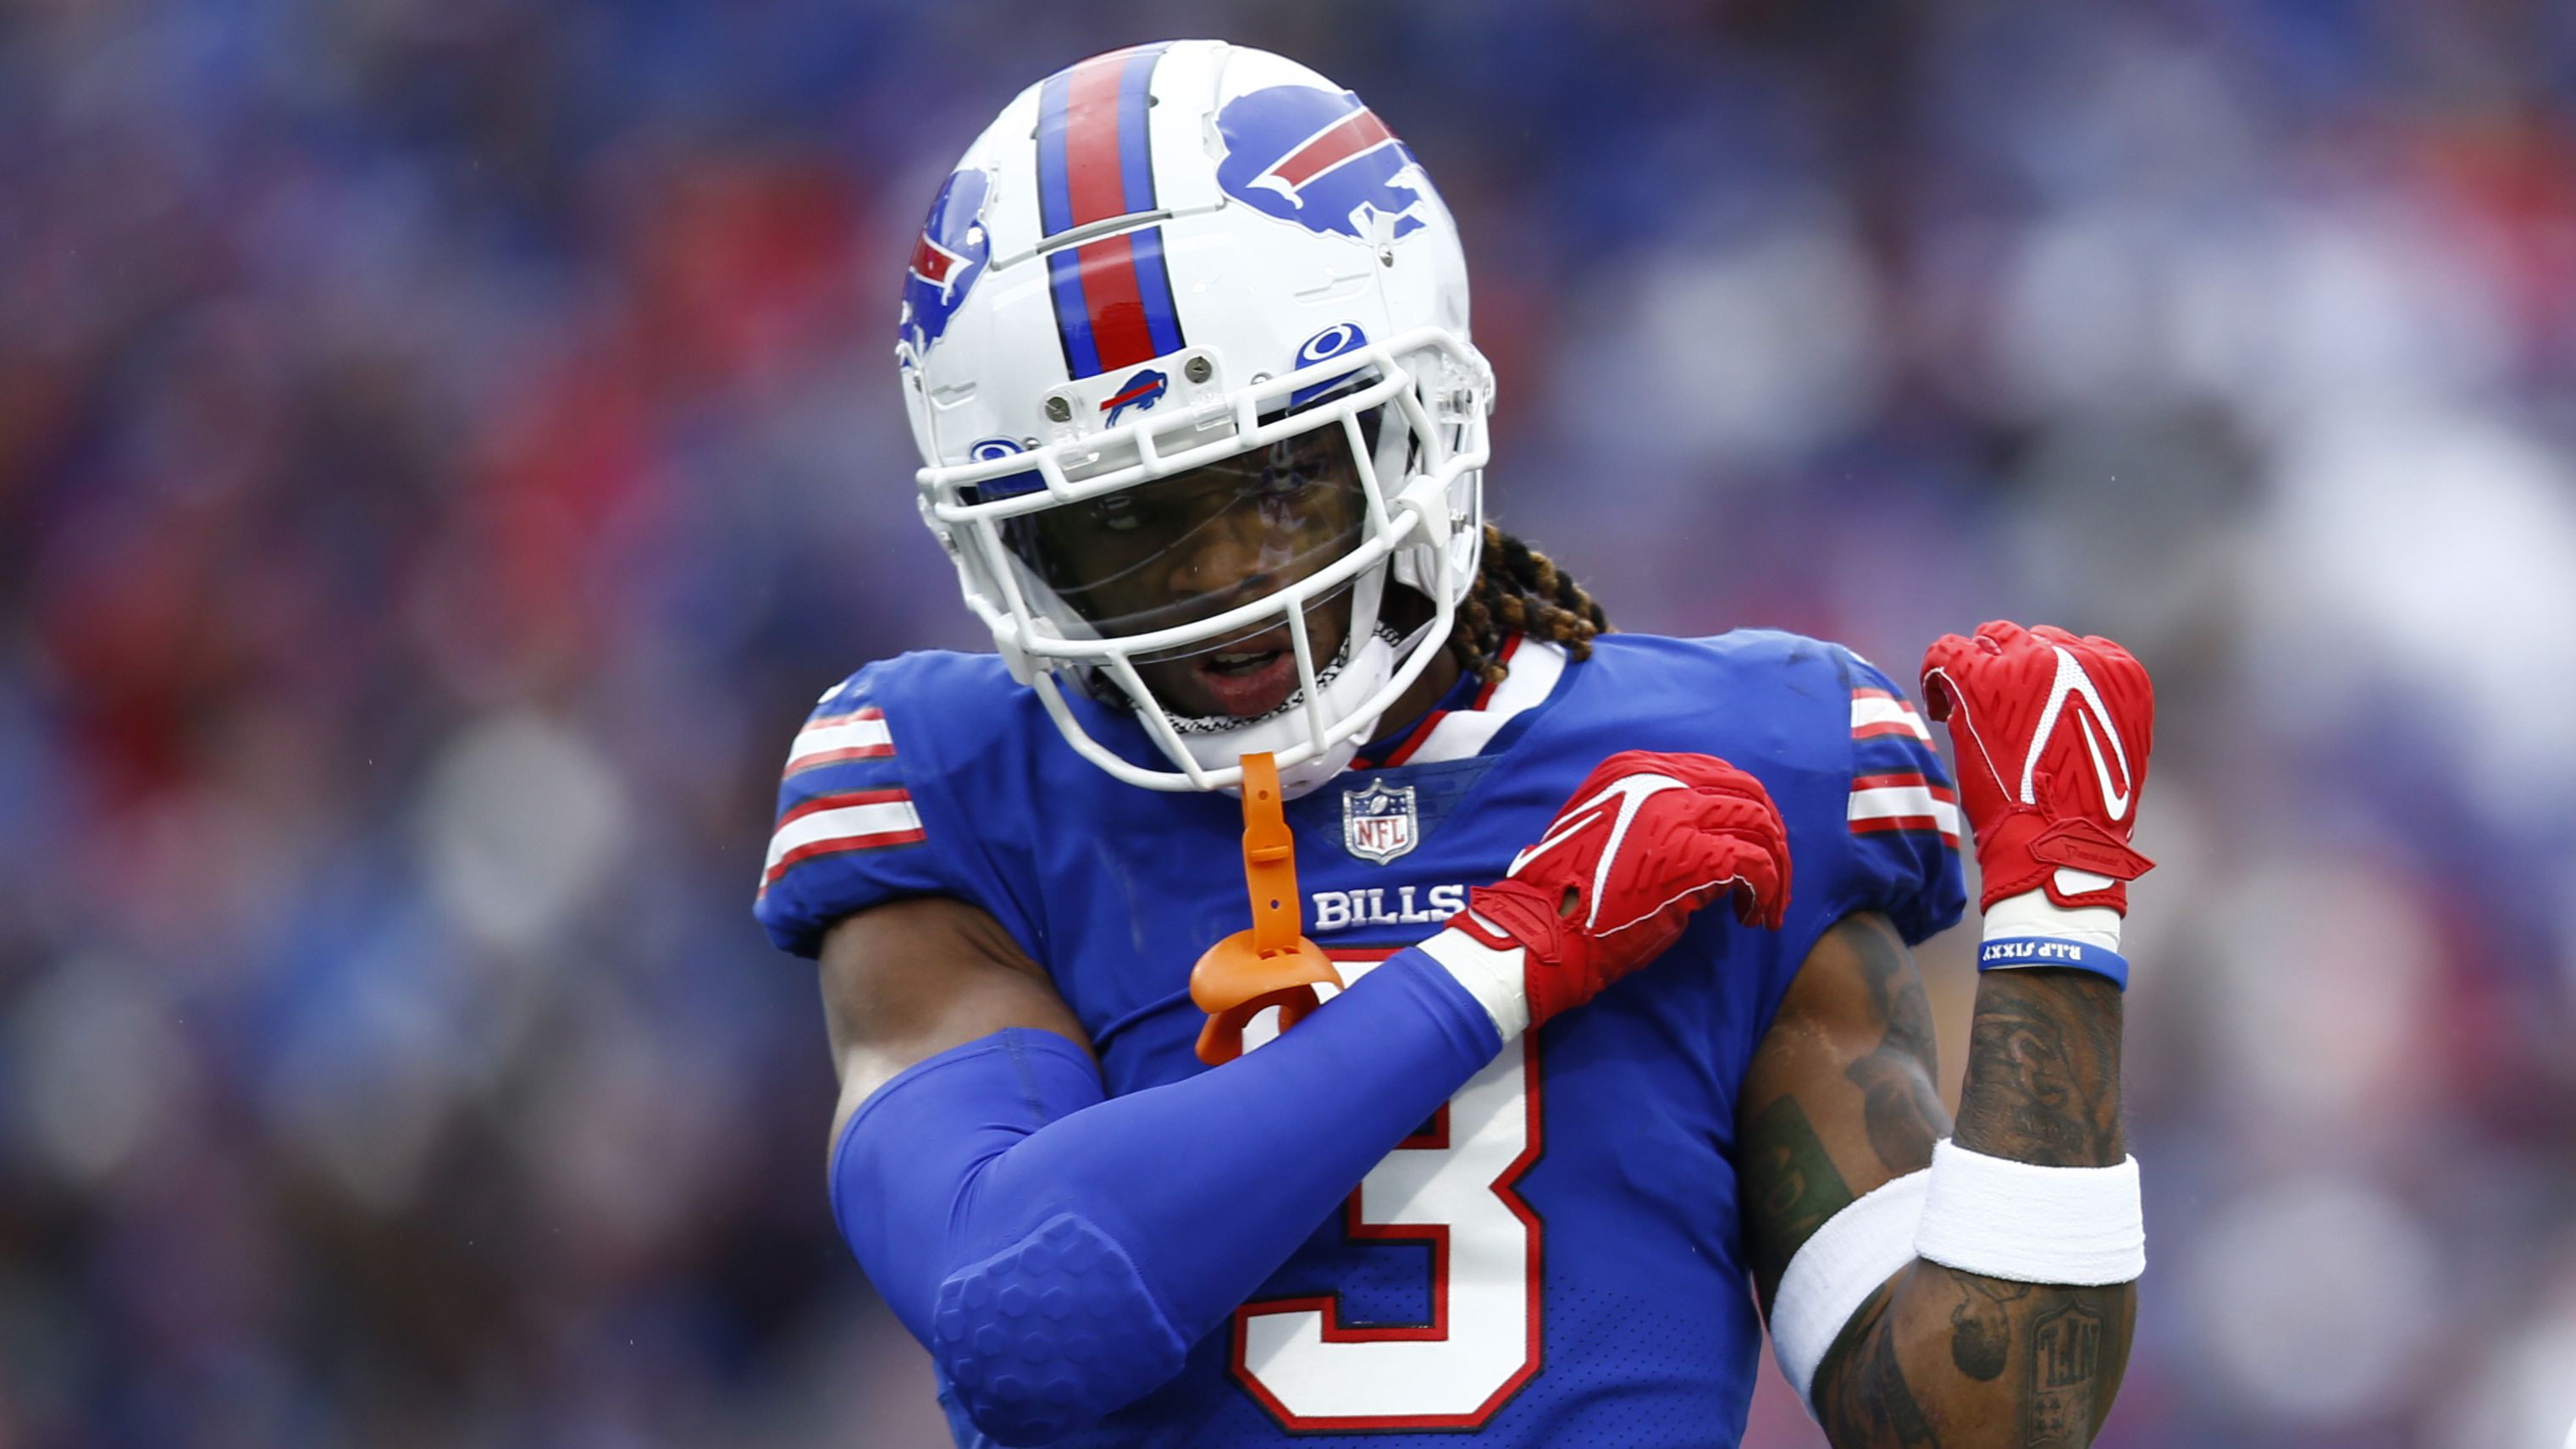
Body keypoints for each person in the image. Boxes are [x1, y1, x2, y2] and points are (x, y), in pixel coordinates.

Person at [759, 39, 2154, 1449]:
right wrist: (1501, 958)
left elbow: (1979, 1427)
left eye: (1282, 477)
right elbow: (1023, 1313)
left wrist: (2060, 919)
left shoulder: (1749, 760)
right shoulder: (962, 787)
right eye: (1116, 523)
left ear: (1417, 418)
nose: (1219, 576)